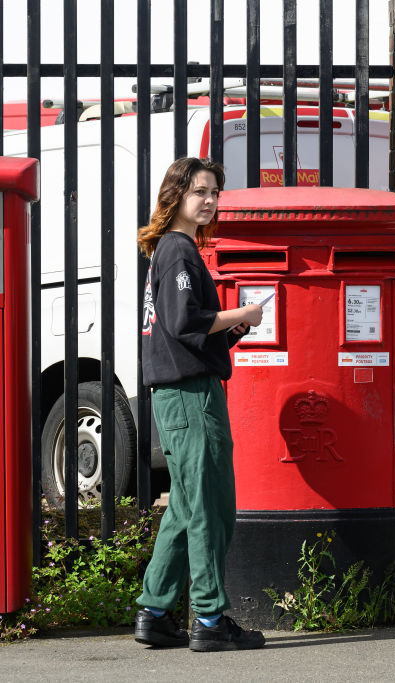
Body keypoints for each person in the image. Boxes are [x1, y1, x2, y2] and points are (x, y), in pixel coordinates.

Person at [133, 157, 266, 651]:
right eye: (199, 192)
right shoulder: (179, 249)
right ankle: (209, 619)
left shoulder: (169, 252)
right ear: (176, 197)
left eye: (214, 193)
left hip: (176, 393)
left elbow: (181, 333)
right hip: (191, 397)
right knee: (211, 505)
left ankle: (155, 612)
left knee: (186, 506)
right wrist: (242, 311)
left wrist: (231, 330)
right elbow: (186, 321)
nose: (209, 201)